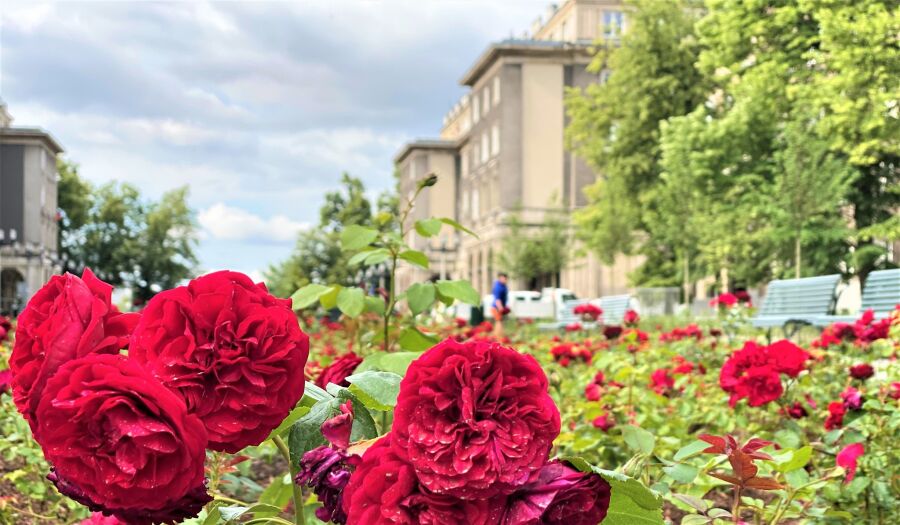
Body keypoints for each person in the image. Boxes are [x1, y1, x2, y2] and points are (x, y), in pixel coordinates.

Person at [491, 273, 509, 339]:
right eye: (503, 278)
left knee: (500, 321)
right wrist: (501, 308)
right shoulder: (498, 287)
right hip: (496, 307)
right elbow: (497, 299)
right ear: (500, 278)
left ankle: (499, 335)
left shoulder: (503, 286)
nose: (504, 280)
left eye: (505, 278)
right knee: (499, 321)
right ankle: (498, 337)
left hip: (500, 307)